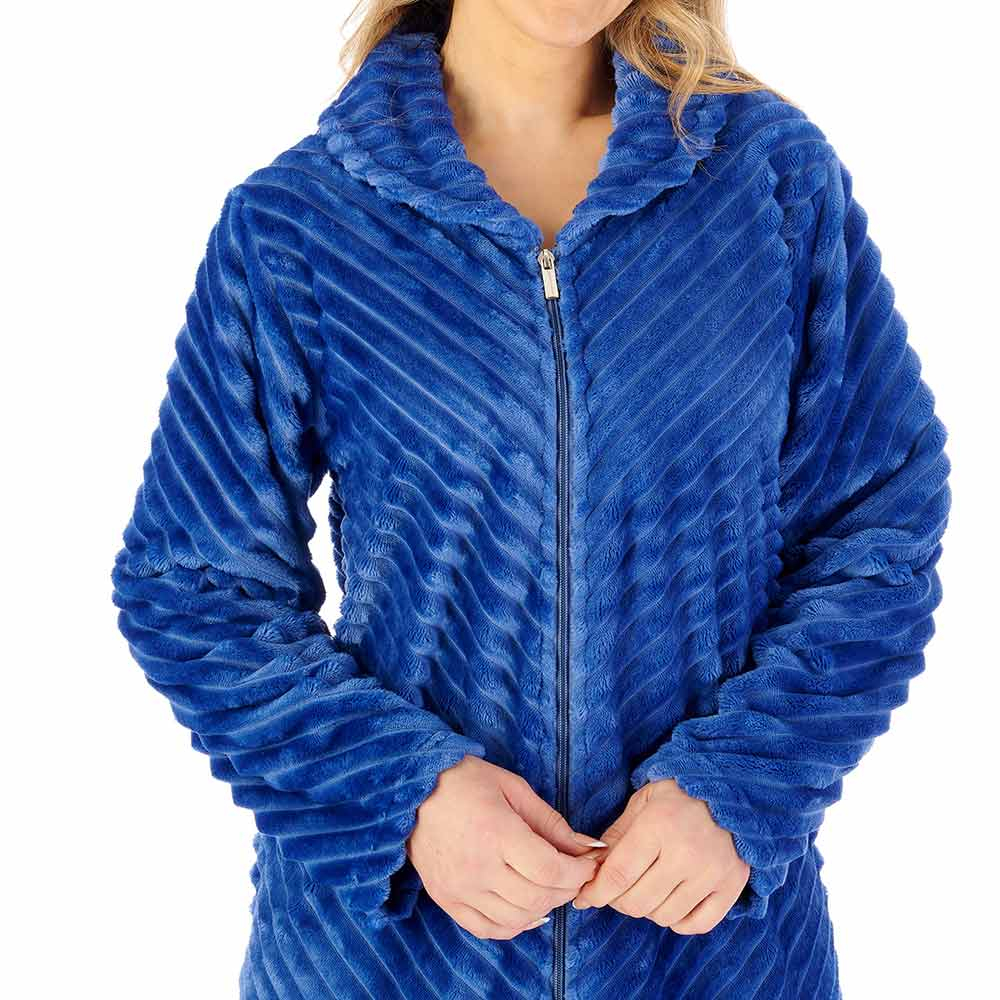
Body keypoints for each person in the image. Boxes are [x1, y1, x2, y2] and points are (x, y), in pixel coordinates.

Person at [109, 1, 952, 998]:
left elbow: (877, 531)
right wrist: (405, 796)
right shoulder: (299, 220)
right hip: (390, 959)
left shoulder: (766, 179)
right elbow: (193, 586)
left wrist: (743, 782)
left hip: (709, 951)